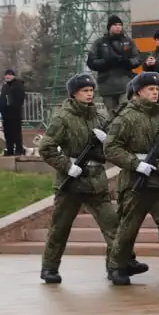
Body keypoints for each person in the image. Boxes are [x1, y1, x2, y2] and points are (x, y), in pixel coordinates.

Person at [104, 70, 159, 285]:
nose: (155, 93)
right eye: (151, 89)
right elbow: (111, 148)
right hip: (137, 180)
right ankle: (117, 266)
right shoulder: (126, 117)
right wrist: (136, 164)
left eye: (157, 89)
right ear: (138, 92)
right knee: (128, 227)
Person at [36, 73, 122, 284]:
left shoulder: (99, 118)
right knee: (60, 227)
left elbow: (110, 152)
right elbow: (46, 148)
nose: (89, 94)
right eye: (85, 91)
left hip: (96, 181)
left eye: (91, 90)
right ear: (74, 93)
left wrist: (106, 143)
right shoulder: (63, 118)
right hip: (72, 182)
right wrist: (67, 166)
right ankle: (49, 268)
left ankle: (116, 267)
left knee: (113, 226)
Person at [86, 14, 142, 113]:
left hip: (125, 84)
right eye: (115, 25)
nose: (118, 27)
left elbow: (138, 59)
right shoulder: (99, 43)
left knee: (125, 113)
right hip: (107, 86)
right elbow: (91, 62)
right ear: (109, 27)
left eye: (120, 25)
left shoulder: (128, 42)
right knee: (112, 116)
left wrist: (127, 62)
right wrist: (106, 62)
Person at [0, 69, 24, 156]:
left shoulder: (18, 85)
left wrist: (13, 107)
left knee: (16, 132)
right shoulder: (5, 86)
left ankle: (19, 150)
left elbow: (20, 98)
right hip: (5, 114)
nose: (7, 76)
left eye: (9, 74)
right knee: (7, 133)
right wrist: (1, 108)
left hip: (15, 113)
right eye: (6, 75)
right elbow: (2, 98)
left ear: (13, 76)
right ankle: (10, 150)